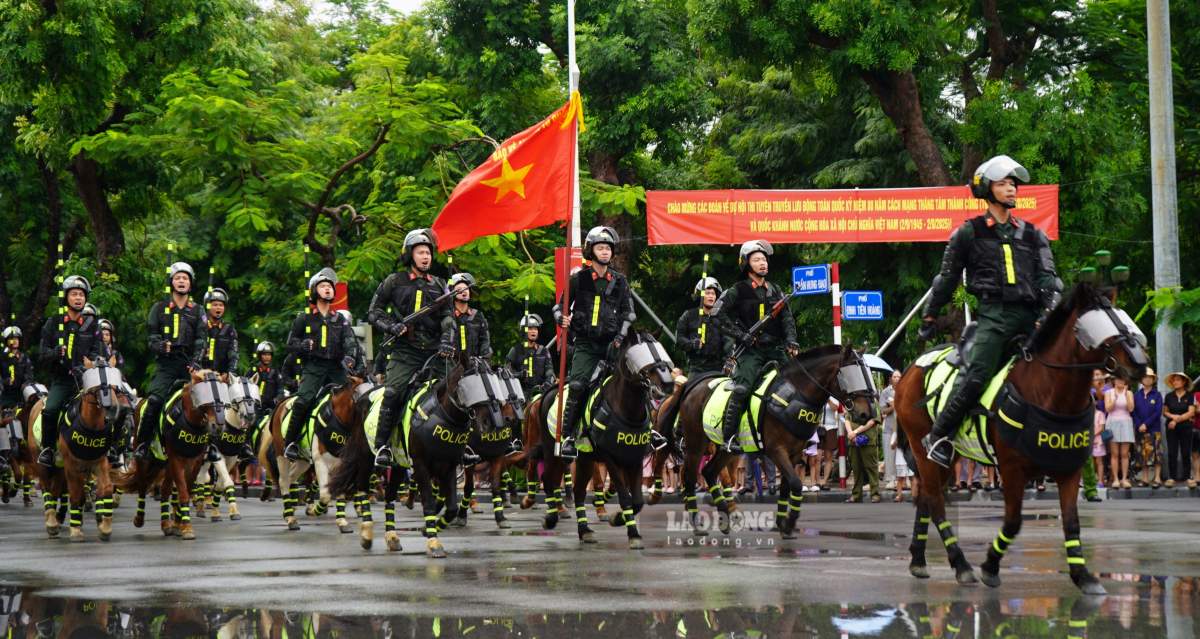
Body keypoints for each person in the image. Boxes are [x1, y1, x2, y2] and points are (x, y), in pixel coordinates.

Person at [918, 156, 1062, 467]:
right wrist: (930, 314)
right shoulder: (968, 233)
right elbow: (947, 278)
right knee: (976, 375)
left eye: (1013, 183)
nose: (1011, 188)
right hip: (994, 318)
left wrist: (1050, 308)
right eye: (1003, 183)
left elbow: (1049, 278)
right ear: (987, 189)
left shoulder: (1033, 234)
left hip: (1032, 318)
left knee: (1064, 366)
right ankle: (939, 434)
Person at [367, 228, 450, 467]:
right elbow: (374, 312)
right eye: (421, 252)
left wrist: (446, 340)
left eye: (428, 253)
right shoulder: (394, 281)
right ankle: (382, 446)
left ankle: (463, 445)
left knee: (459, 390)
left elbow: (447, 317)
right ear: (410, 255)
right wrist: (392, 327)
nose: (426, 257)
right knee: (393, 393)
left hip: (435, 352)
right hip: (405, 352)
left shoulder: (441, 284)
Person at [553, 226, 635, 458]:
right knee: (578, 386)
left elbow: (629, 314)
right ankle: (568, 436)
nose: (605, 252)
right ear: (591, 251)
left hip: (613, 345)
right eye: (600, 247)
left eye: (608, 248)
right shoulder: (578, 279)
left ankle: (643, 432)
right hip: (586, 346)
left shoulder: (620, 281)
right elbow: (559, 306)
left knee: (635, 381)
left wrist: (620, 337)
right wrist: (561, 318)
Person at [712, 239, 799, 453]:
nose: (763, 263)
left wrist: (791, 341)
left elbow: (787, 319)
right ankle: (729, 437)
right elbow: (716, 314)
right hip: (751, 351)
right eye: (757, 259)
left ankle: (795, 434)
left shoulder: (776, 290)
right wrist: (740, 335)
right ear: (746, 263)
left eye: (764, 259)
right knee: (742, 389)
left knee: (797, 383)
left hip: (776, 349)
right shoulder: (737, 290)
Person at [282, 268, 362, 461]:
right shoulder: (304, 318)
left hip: (336, 368)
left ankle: (358, 442)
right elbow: (290, 344)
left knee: (357, 400)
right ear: (314, 291)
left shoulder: (341, 319)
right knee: (303, 401)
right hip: (314, 368)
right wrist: (303, 345)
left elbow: (351, 343)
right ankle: (291, 443)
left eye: (330, 286)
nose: (328, 289)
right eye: (323, 286)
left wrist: (349, 358)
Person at [133, 263, 207, 461]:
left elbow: (201, 340)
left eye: (185, 278)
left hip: (189, 366)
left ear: (190, 284)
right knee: (155, 401)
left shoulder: (198, 310)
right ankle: (143, 443)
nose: (181, 281)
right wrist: (160, 346)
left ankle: (210, 448)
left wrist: (196, 362)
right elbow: (151, 337)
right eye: (178, 278)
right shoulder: (159, 308)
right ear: (171, 282)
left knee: (209, 402)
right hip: (166, 365)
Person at [37, 275, 103, 467]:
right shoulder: (53, 322)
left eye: (81, 295)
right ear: (66, 297)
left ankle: (111, 449)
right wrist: (55, 353)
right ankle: (48, 449)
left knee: (110, 406)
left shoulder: (92, 324)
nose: (78, 298)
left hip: (86, 381)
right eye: (74, 294)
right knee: (50, 410)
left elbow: (96, 352)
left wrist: (85, 366)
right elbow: (41, 355)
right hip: (62, 380)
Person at [674, 277, 726, 376]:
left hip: (719, 369)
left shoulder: (722, 318)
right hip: (697, 369)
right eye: (707, 293)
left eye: (713, 293)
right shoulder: (688, 315)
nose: (711, 296)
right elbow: (679, 338)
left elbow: (729, 341)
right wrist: (692, 344)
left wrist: (730, 359)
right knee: (683, 388)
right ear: (700, 295)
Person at [1, 326, 35, 471]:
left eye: (16, 339)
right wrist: (3, 382)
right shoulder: (1, 357)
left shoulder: (24, 357)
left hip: (21, 397)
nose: (14, 341)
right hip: (5, 397)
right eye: (11, 339)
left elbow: (29, 375)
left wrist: (26, 384)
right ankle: (3, 454)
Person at [440, 272, 492, 361]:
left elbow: (485, 340)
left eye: (466, 288)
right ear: (452, 293)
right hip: (451, 365)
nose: (464, 291)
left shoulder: (478, 315)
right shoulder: (447, 315)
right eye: (459, 289)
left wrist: (484, 357)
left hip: (474, 366)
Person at [505, 314, 554, 397]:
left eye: (535, 329)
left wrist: (547, 384)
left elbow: (550, 373)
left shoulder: (544, 351)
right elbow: (506, 374)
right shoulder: (515, 350)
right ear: (524, 331)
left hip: (540, 394)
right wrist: (520, 374)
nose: (534, 331)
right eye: (530, 329)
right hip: (519, 395)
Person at [1162, 372, 1195, 487]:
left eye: (1177, 380)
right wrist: (1172, 417)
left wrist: (1176, 420)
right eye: (1174, 380)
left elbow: (1191, 412)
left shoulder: (1190, 395)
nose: (1175, 382)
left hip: (1185, 427)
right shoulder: (1169, 396)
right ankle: (1172, 477)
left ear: (1184, 382)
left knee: (1186, 452)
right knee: (1172, 452)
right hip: (1171, 427)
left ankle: (1187, 477)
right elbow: (1165, 412)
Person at [1132, 368, 1163, 487]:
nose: (1147, 379)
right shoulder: (1136, 395)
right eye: (1145, 377)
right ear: (1141, 379)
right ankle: (1145, 479)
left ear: (1153, 380)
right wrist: (1139, 424)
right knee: (1142, 455)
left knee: (1156, 455)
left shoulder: (1157, 394)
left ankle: (1157, 478)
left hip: (1154, 429)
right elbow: (1133, 411)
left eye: (1150, 377)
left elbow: (1157, 412)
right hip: (1140, 430)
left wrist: (1146, 424)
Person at [200, 288, 239, 378]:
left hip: (222, 377)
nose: (218, 307)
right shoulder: (200, 326)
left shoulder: (229, 329)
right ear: (208, 306)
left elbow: (234, 354)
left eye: (221, 305)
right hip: (201, 376)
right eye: (215, 305)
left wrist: (231, 373)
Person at [1105, 376, 1136, 488]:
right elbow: (1108, 409)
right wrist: (1115, 398)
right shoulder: (1109, 392)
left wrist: (1126, 394)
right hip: (1112, 423)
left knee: (1124, 454)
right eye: (1118, 379)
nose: (1120, 381)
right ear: (1114, 381)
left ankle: (1124, 478)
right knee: (1114, 453)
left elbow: (1131, 408)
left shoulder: (1129, 393)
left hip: (1126, 422)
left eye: (1122, 379)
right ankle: (1116, 479)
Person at [845, 411, 880, 503]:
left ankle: (875, 494)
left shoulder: (872, 402)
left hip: (868, 441)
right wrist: (850, 433)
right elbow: (847, 419)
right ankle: (856, 495)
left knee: (871, 468)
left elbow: (872, 421)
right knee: (856, 469)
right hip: (853, 441)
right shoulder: (852, 402)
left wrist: (855, 432)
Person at [879, 370, 901, 490]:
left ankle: (903, 479)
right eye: (894, 376)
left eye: (899, 376)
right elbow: (882, 410)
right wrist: (892, 407)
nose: (897, 378)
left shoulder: (904, 389)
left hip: (902, 428)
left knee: (902, 455)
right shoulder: (886, 392)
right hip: (889, 427)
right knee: (889, 454)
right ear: (891, 378)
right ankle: (891, 479)